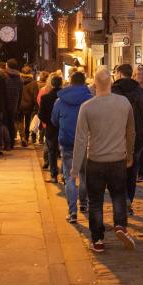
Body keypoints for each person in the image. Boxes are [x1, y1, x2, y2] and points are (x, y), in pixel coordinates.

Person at [72, 68, 136, 253]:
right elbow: (131, 131)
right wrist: (129, 155)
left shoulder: (87, 107)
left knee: (96, 201)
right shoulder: (124, 103)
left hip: (95, 160)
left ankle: (98, 239)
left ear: (95, 85)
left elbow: (81, 139)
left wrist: (75, 169)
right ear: (110, 83)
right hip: (117, 159)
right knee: (118, 196)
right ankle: (120, 226)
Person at [52, 70, 93, 222]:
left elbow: (54, 120)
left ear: (70, 81)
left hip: (67, 142)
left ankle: (72, 212)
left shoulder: (60, 101)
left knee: (69, 177)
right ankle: (83, 203)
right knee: (84, 175)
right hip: (85, 143)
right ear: (84, 82)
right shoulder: (90, 100)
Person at [112, 64, 143, 210]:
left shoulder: (112, 92)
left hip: (115, 137)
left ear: (119, 74)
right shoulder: (141, 92)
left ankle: (122, 199)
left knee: (117, 172)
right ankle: (129, 200)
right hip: (137, 138)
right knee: (132, 172)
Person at [38, 75, 62, 182]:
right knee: (65, 151)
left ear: (51, 84)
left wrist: (48, 121)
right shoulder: (64, 97)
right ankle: (65, 176)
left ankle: (53, 175)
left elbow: (41, 114)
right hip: (64, 127)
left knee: (52, 151)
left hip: (51, 127)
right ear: (61, 84)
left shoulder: (46, 98)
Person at [3, 59, 24, 150]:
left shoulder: (4, 76)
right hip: (14, 104)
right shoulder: (19, 78)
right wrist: (18, 105)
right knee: (11, 123)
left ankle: (6, 143)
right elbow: (20, 93)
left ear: (8, 66)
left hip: (4, 103)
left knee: (4, 124)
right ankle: (11, 142)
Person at [19, 66, 39, 147]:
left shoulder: (19, 81)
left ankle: (22, 136)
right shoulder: (34, 83)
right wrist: (36, 106)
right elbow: (36, 96)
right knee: (27, 122)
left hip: (19, 105)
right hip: (29, 105)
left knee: (20, 121)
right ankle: (26, 138)